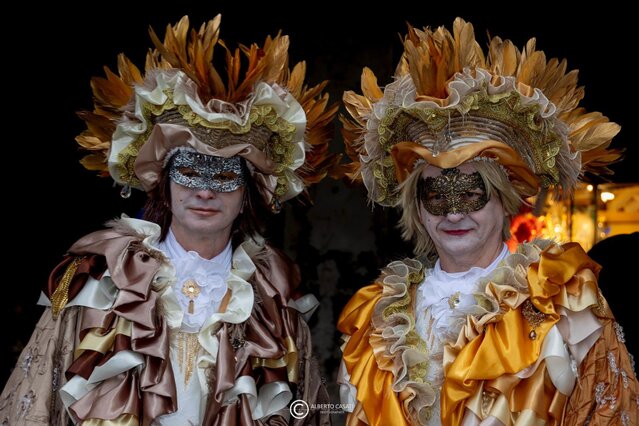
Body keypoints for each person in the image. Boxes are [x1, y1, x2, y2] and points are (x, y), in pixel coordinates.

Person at [0, 15, 338, 425]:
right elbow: (34, 400)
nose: (205, 191)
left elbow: (310, 408)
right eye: (190, 171)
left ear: (248, 193)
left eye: (225, 176)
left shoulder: (273, 299)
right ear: (164, 182)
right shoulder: (102, 281)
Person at [337, 18, 638, 425]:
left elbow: (609, 408)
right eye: (436, 196)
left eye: (471, 193)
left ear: (504, 198)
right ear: (417, 209)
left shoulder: (560, 298)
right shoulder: (375, 318)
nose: (454, 213)